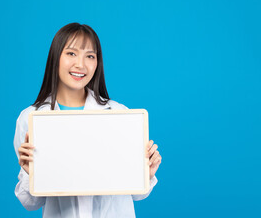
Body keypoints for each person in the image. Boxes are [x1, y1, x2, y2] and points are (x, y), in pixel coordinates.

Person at [13, 23, 162, 218]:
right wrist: (30, 173)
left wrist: (146, 173)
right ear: (55, 58)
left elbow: (135, 193)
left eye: (90, 56)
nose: (80, 65)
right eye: (71, 53)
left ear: (97, 63)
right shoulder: (31, 118)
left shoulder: (119, 114)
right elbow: (31, 203)